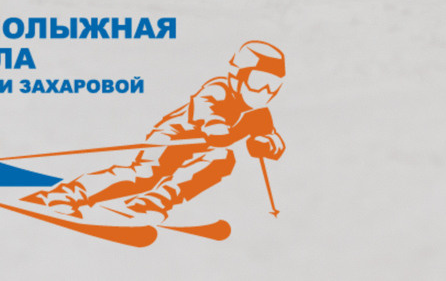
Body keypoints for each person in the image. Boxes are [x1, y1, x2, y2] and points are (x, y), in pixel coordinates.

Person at [25, 41, 286, 222]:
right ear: (237, 76)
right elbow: (209, 117)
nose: (264, 93)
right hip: (174, 138)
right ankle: (63, 195)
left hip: (204, 149)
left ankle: (153, 203)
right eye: (258, 82)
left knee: (222, 159)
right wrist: (225, 127)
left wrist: (267, 143)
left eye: (273, 87)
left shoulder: (259, 113)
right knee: (146, 174)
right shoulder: (217, 90)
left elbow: (272, 142)